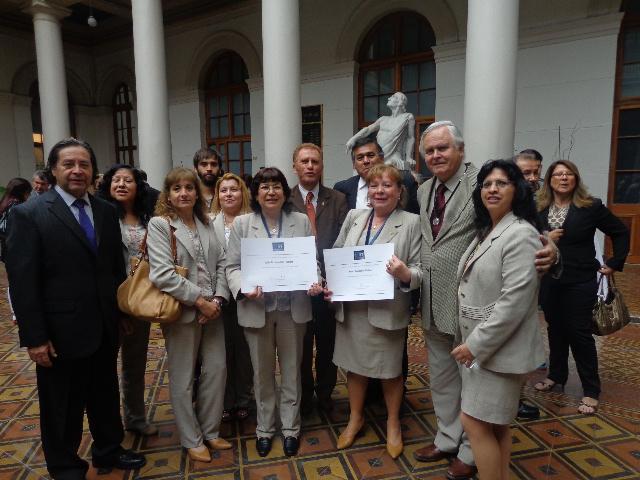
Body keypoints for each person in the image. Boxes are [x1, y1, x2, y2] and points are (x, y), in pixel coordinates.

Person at [413, 121, 557, 480]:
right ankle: (447, 438)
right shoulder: (422, 189)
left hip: (475, 311)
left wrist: (552, 249)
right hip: (432, 300)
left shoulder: (485, 180)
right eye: (429, 150)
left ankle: (468, 452)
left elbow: (524, 224)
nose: (435, 156)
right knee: (443, 380)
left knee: (474, 390)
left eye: (442, 148)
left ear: (460, 150)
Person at [6, 138, 146, 479]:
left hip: (103, 325)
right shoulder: (29, 214)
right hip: (58, 332)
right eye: (69, 164)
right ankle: (65, 464)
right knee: (61, 405)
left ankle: (108, 450)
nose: (77, 170)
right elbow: (23, 283)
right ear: (54, 170)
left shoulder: (105, 210)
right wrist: (35, 338)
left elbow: (113, 268)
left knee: (104, 393)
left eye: (84, 164)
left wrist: (121, 313)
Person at [451, 159, 545, 480]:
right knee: (496, 425)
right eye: (487, 184)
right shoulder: (490, 229)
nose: (492, 189)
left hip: (496, 350)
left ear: (517, 189)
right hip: (489, 350)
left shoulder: (519, 234)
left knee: (474, 422)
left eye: (501, 183)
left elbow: (514, 303)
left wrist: (474, 346)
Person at [225, 167, 323, 458]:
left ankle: (291, 429)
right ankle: (265, 429)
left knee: (292, 372)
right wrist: (243, 288)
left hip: (293, 310)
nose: (270, 192)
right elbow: (232, 267)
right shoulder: (243, 224)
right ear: (255, 194)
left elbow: (311, 261)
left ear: (284, 191)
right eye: (264, 187)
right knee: (262, 374)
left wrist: (315, 279)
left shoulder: (301, 221)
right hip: (258, 309)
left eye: (276, 186)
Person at [329, 164, 421, 460]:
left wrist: (405, 272)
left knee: (390, 371)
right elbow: (338, 251)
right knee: (354, 368)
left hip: (386, 309)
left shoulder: (411, 223)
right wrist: (332, 281)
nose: (379, 190)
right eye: (374, 185)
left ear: (399, 191)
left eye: (387, 185)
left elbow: (421, 270)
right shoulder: (355, 217)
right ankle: (356, 418)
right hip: (353, 308)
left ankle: (393, 423)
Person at [147, 167, 231, 462]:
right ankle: (191, 437)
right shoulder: (161, 225)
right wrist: (200, 301)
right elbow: (162, 274)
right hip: (184, 312)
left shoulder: (205, 222)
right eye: (176, 188)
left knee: (216, 370)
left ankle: (210, 431)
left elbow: (222, 262)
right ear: (168, 195)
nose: (183, 193)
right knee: (182, 377)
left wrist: (218, 299)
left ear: (197, 193)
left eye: (189, 188)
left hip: (213, 311)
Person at [535, 160, 629, 414]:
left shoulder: (591, 206)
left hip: (580, 279)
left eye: (568, 174)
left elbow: (620, 231)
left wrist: (614, 262)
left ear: (575, 179)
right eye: (558, 174)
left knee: (579, 333)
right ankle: (556, 375)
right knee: (555, 329)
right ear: (550, 180)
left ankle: (590, 389)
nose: (563, 178)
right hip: (549, 281)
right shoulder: (539, 208)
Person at [98, 164, 159, 437]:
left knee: (135, 362)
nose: (121, 185)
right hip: (108, 301)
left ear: (138, 187)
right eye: (116, 180)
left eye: (128, 181)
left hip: (139, 298)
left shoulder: (148, 217)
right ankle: (107, 425)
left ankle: (135, 417)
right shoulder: (101, 216)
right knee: (104, 367)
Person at [289, 143, 348, 415]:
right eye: (304, 161)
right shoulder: (285, 200)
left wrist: (333, 279)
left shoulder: (337, 199)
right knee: (299, 346)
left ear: (322, 166)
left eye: (315, 161)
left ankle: (325, 393)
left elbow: (344, 241)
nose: (310, 166)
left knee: (328, 344)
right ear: (295, 166)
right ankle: (302, 394)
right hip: (296, 289)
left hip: (329, 287)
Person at [210, 172, 254, 423]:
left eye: (234, 189)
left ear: (243, 193)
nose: (228, 194)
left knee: (245, 351)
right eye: (223, 190)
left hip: (248, 295)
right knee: (221, 352)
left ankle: (244, 398)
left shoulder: (252, 222)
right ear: (217, 195)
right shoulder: (209, 223)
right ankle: (225, 400)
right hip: (218, 299)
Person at [514, 149, 545, 421]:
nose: (533, 178)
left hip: (532, 283)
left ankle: (517, 396)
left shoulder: (543, 201)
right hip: (508, 286)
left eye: (536, 171)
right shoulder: (505, 201)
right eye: (526, 172)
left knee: (522, 341)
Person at [335, 136, 419, 214]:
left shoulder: (405, 181)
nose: (366, 161)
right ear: (354, 164)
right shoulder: (342, 189)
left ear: (382, 159)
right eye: (360, 158)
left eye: (370, 155)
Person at [346, 92, 416, 170]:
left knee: (388, 165)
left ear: (400, 102)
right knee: (363, 166)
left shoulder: (407, 117)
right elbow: (368, 129)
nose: (389, 98)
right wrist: (353, 139)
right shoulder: (383, 119)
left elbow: (410, 138)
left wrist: (409, 157)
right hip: (378, 154)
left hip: (394, 154)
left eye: (393, 97)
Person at [0, 177, 32, 262]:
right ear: (23, 193)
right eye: (28, 192)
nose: (29, 195)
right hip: (15, 252)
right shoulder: (17, 207)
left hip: (5, 248)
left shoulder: (5, 202)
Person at [193, 147, 225, 214]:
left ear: (220, 169)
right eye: (204, 164)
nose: (209, 168)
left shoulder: (226, 196)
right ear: (195, 169)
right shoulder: (191, 197)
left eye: (213, 164)